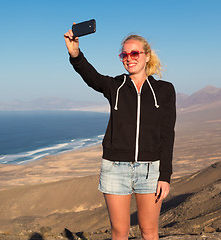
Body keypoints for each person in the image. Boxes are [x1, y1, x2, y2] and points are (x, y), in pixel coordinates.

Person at [64, 26, 176, 240]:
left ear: (147, 56)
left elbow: (167, 134)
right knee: (119, 231)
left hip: (150, 170)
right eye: (124, 54)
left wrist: (165, 176)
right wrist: (75, 54)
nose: (129, 58)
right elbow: (91, 77)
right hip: (115, 168)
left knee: (149, 231)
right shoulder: (115, 86)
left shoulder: (164, 90)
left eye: (134, 53)